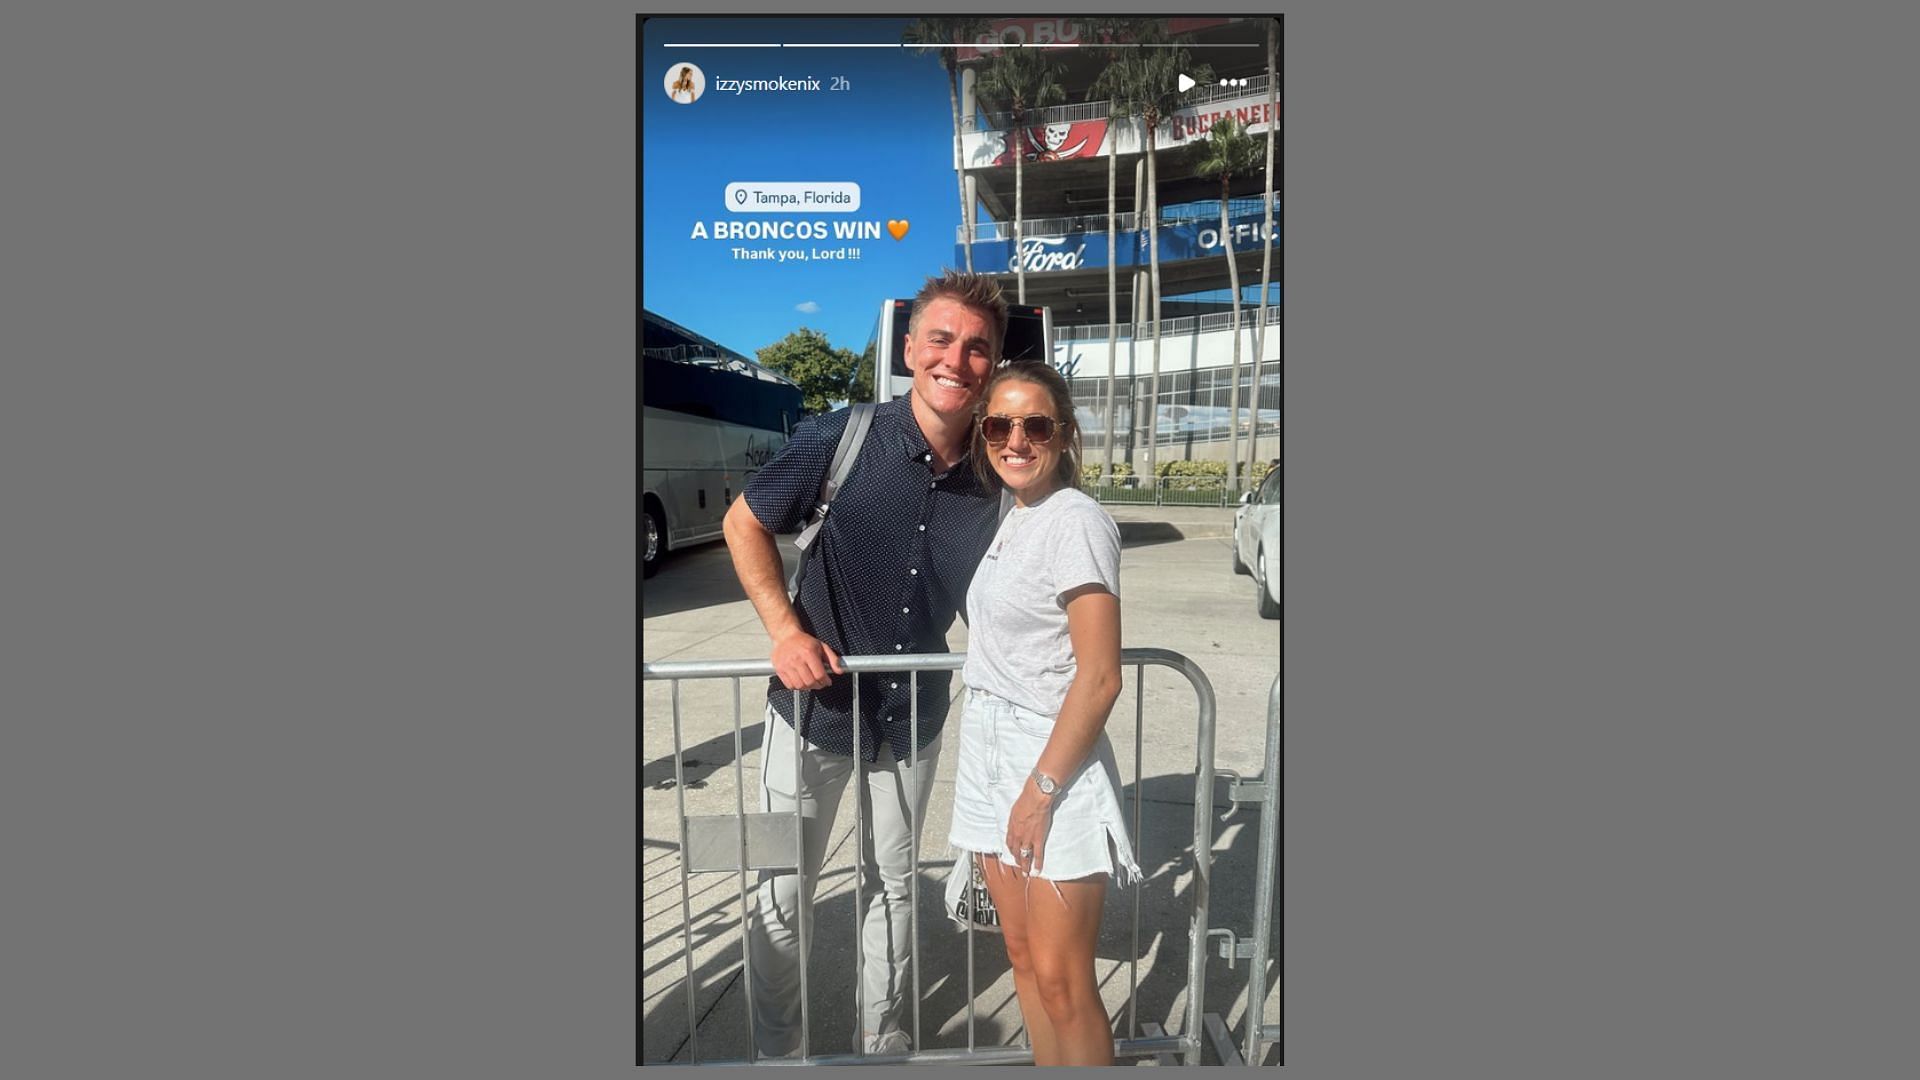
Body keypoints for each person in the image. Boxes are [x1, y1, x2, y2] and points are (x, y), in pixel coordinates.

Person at [721, 270, 1010, 1058]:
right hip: (809, 717)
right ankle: (776, 1054)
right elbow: (743, 523)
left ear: (994, 362)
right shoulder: (841, 437)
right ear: (910, 348)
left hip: (912, 723)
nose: (958, 358)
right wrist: (784, 629)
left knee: (892, 888)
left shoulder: (998, 473)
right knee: (783, 893)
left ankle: (881, 1041)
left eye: (978, 347)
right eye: (943, 339)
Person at [946, 360, 1138, 1066]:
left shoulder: (1076, 521)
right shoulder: (1014, 515)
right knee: (1024, 958)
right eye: (999, 424)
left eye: (1035, 425)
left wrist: (1040, 792)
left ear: (1065, 435)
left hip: (1048, 760)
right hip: (990, 752)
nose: (1015, 439)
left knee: (1062, 981)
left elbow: (1100, 678)